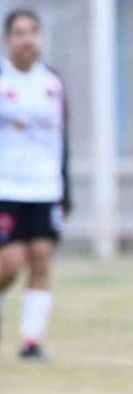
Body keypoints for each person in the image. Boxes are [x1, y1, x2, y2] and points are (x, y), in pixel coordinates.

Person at [0, 8, 70, 360]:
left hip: (44, 188)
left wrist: (64, 190)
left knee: (41, 258)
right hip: (6, 188)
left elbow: (61, 139)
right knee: (10, 262)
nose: (27, 39)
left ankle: (31, 342)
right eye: (19, 32)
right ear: (8, 39)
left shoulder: (51, 82)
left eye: (32, 32)